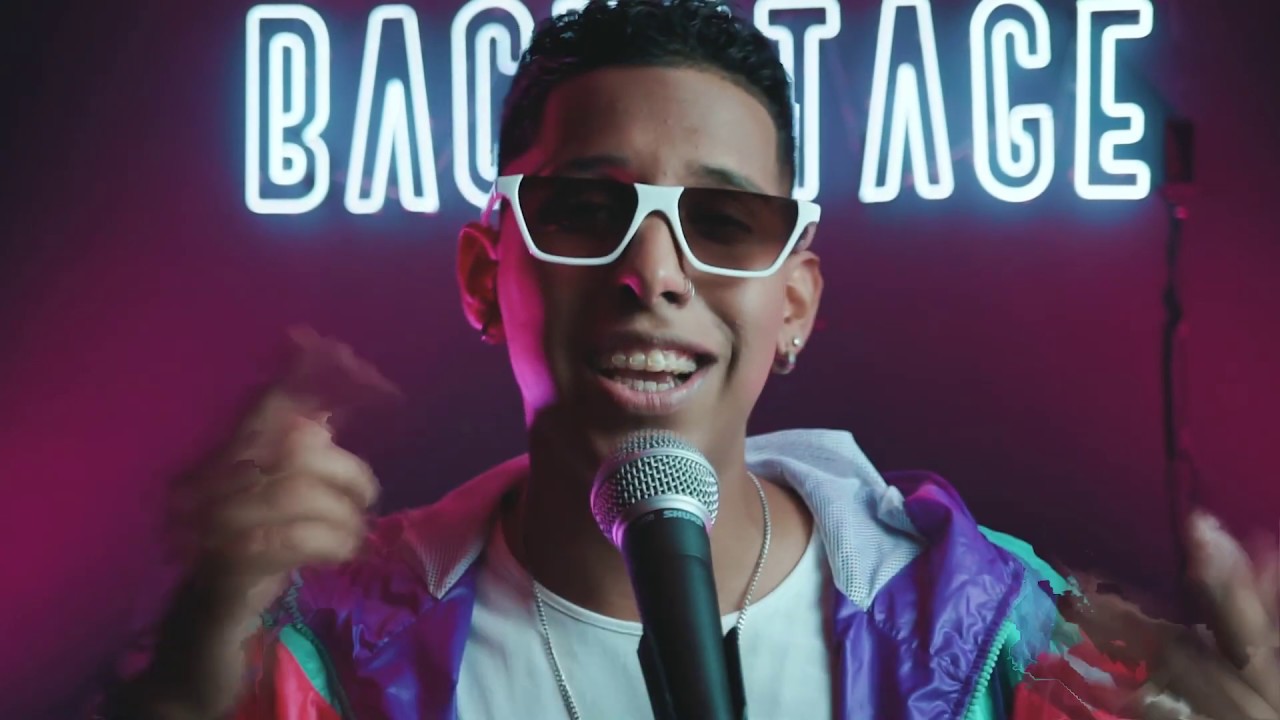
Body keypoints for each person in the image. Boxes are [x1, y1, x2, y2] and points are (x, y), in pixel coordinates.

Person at [96, 1, 1280, 718]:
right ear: (484, 274)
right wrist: (188, 686)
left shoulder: (985, 638)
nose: (652, 271)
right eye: (584, 208)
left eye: (722, 221)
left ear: (793, 303)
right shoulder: (321, 653)